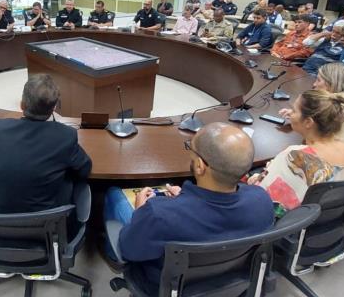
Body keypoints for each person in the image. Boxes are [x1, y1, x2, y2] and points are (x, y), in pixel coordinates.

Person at [106, 122, 274, 284]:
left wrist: (140, 213)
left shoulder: (157, 214)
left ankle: (110, 255)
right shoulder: (263, 201)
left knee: (114, 195)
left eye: (190, 147)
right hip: (231, 280)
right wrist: (185, 198)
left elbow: (129, 250)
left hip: (168, 286)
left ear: (200, 166)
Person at [0, 74, 92, 216]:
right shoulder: (65, 136)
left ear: (22, 104)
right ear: (53, 108)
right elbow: (84, 169)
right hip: (43, 229)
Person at [249, 90, 344, 211]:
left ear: (308, 122)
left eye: (294, 111)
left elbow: (264, 196)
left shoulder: (295, 156)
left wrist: (255, 178)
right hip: (317, 217)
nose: (291, 114)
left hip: (283, 221)